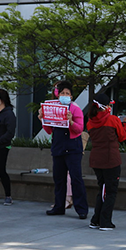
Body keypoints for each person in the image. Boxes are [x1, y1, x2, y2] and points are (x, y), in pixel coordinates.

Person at [38, 80, 88, 219]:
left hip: (73, 148)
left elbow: (79, 129)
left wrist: (71, 121)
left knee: (76, 178)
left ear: (71, 97)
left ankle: (81, 209)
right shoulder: (52, 108)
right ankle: (59, 206)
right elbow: (49, 130)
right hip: (58, 146)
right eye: (62, 93)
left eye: (67, 93)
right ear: (58, 95)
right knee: (59, 179)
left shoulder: (75, 109)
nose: (65, 95)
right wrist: (42, 119)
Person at [86, 92, 126, 230]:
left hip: (96, 159)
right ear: (105, 106)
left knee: (102, 189)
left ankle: (96, 220)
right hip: (111, 160)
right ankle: (105, 222)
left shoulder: (90, 122)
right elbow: (122, 137)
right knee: (110, 192)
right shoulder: (112, 120)